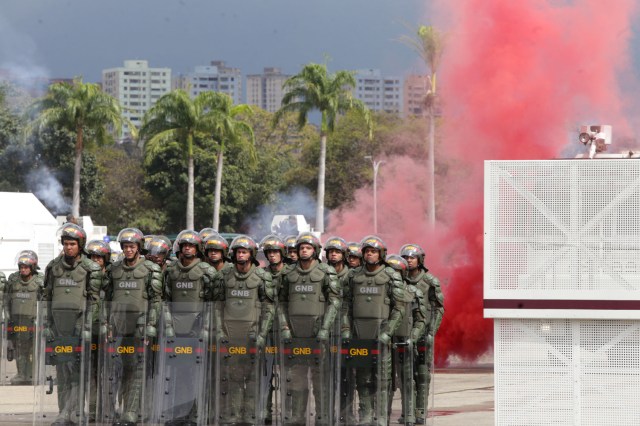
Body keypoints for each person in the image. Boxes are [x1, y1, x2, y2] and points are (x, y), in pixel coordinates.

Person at [342, 235, 407, 426]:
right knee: (362, 378)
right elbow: (345, 305)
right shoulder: (353, 276)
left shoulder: (391, 276)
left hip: (382, 336)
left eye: (374, 251)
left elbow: (399, 308)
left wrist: (388, 332)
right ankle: (366, 415)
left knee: (383, 379)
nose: (370, 254)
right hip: (359, 335)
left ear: (381, 254)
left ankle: (381, 416)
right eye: (367, 251)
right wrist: (346, 328)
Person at [101, 228, 163, 426]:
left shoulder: (151, 270)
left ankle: (131, 411)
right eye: (125, 247)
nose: (128, 250)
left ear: (139, 248)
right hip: (118, 326)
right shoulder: (114, 270)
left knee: (136, 369)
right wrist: (106, 324)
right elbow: (107, 299)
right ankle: (115, 410)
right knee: (117, 369)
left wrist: (151, 325)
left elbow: (156, 300)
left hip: (140, 326)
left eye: (132, 246)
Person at [43, 223, 103, 426]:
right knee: (62, 371)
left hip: (80, 328)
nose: (68, 248)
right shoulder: (53, 267)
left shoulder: (91, 269)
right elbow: (47, 298)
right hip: (59, 328)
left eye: (72, 244)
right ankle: (63, 413)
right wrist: (46, 324)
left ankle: (75, 412)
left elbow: (95, 302)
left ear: (80, 245)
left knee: (79, 372)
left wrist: (85, 327)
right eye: (66, 244)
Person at [279, 232, 341, 425]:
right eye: (301, 248)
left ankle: (323, 417)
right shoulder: (288, 274)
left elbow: (335, 302)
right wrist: (284, 326)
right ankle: (297, 416)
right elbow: (280, 302)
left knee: (320, 378)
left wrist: (325, 329)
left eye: (308, 247)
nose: (304, 250)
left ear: (315, 251)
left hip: (318, 335)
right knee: (296, 377)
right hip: (295, 334)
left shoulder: (326, 272)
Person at [213, 235, 276, 425]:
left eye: (244, 252)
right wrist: (219, 330)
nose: (240, 255)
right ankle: (233, 416)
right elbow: (216, 305)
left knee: (254, 378)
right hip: (230, 334)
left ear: (252, 254)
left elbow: (269, 307)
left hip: (253, 334)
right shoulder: (224, 275)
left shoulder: (263, 276)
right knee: (233, 376)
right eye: (238, 252)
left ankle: (250, 416)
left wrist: (262, 333)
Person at [160, 230, 217, 426]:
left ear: (198, 249)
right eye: (184, 245)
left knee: (196, 374)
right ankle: (178, 414)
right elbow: (165, 300)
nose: (187, 248)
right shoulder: (171, 271)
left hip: (197, 329)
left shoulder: (206, 271)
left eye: (191, 246)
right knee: (176, 373)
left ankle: (195, 415)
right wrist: (168, 325)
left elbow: (213, 303)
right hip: (175, 330)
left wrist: (206, 328)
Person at [400, 244, 445, 425]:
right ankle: (407, 412)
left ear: (420, 260)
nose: (409, 260)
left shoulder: (430, 281)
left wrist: (431, 332)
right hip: (403, 334)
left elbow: (438, 309)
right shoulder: (399, 280)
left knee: (422, 374)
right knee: (405, 375)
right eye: (406, 257)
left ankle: (420, 412)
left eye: (412, 257)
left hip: (423, 334)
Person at [386, 254, 427, 426]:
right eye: (389, 271)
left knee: (407, 379)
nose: (392, 275)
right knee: (384, 380)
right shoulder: (382, 292)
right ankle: (382, 415)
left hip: (404, 341)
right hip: (385, 342)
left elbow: (421, 319)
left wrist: (414, 337)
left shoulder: (412, 292)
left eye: (396, 272)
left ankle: (409, 414)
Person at [259, 234, 290, 424]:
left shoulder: (290, 274)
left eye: (275, 252)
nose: (272, 256)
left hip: (287, 328)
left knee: (290, 375)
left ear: (282, 254)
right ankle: (265, 412)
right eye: (269, 252)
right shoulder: (261, 275)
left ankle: (290, 412)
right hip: (266, 330)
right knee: (265, 373)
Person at [323, 236, 356, 423]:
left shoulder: (351, 276)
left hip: (346, 329)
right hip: (325, 330)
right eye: (331, 252)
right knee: (326, 375)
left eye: (337, 252)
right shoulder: (322, 273)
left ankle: (347, 412)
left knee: (347, 376)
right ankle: (327, 412)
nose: (333, 255)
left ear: (343, 255)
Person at [5, 250, 44, 385]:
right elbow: (7, 300)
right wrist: (7, 318)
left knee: (33, 350)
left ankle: (32, 375)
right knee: (20, 349)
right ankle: (22, 374)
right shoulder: (13, 280)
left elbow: (45, 302)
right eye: (21, 266)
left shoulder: (40, 281)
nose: (23, 269)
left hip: (34, 322)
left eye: (26, 267)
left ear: (33, 267)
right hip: (18, 321)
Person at [85, 239, 112, 421]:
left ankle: (108, 408)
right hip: (89, 331)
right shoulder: (84, 277)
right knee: (91, 372)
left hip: (109, 332)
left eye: (99, 257)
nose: (96, 260)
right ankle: (94, 409)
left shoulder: (112, 277)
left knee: (110, 373)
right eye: (93, 257)